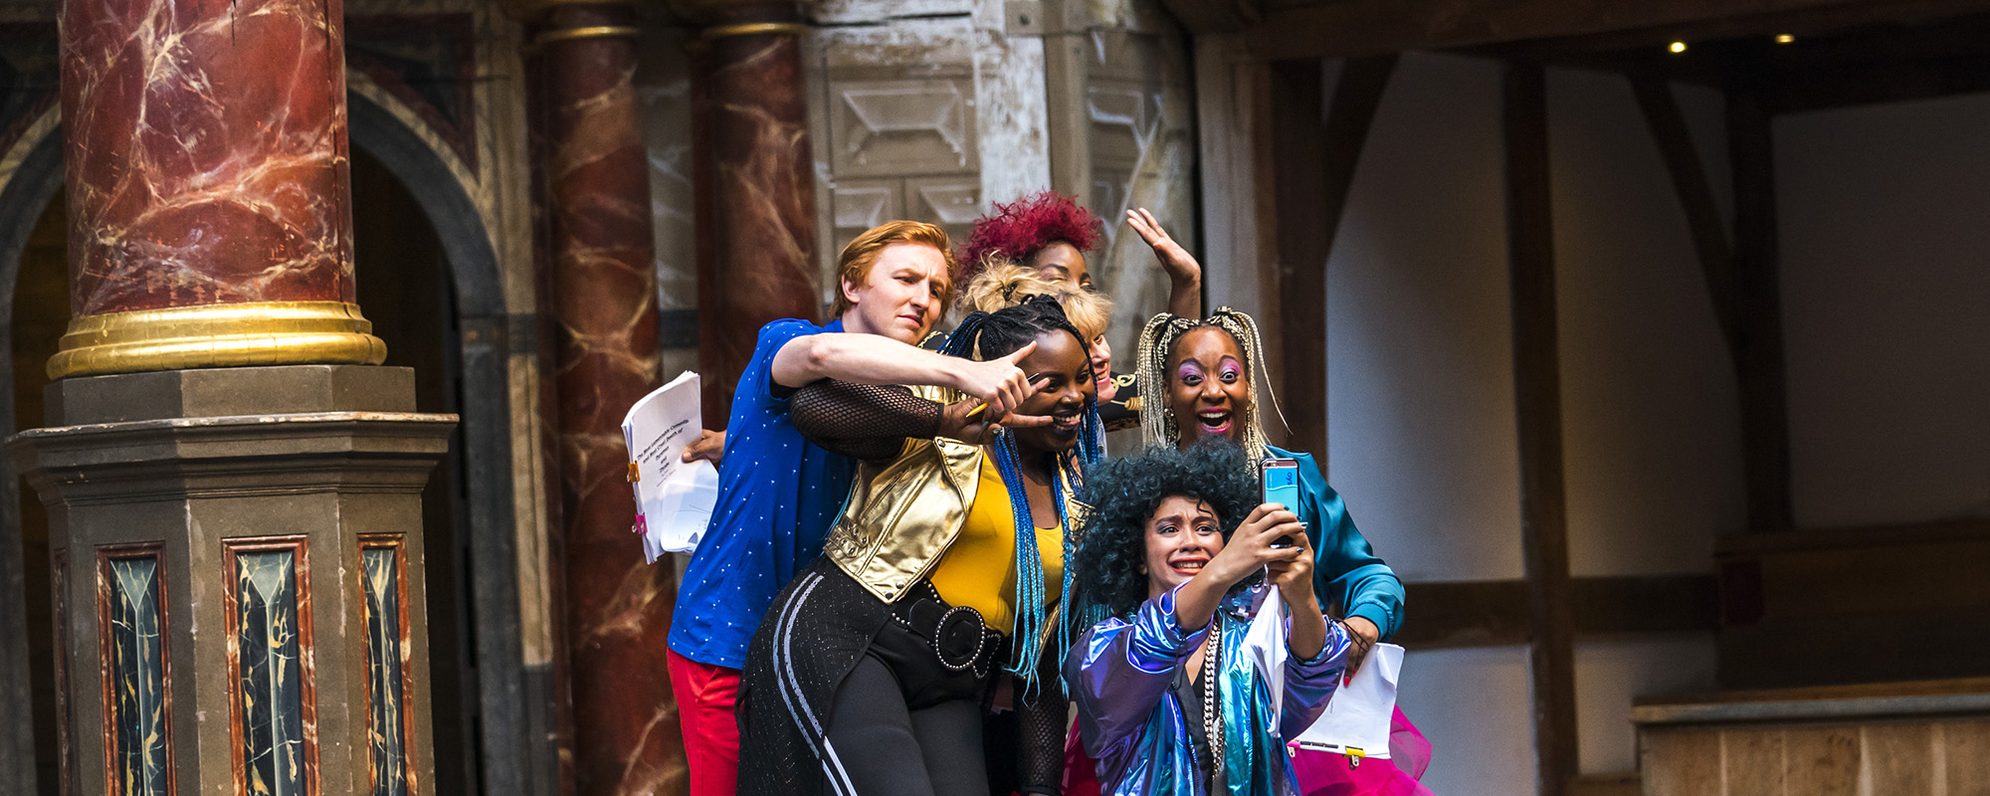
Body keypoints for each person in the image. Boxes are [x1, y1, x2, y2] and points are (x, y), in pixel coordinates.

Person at [664, 221, 1041, 796]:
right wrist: (963, 371)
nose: (924, 300)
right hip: (728, 636)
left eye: (938, 290)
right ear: (851, 285)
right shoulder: (787, 338)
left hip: (827, 645)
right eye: (907, 279)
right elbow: (823, 356)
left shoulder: (913, 389)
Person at [737, 297, 1102, 796]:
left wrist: (1040, 789)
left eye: (1082, 377)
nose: (1075, 396)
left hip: (951, 682)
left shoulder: (1078, 499)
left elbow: (1040, 664)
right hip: (852, 640)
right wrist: (940, 417)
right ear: (1003, 380)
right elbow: (812, 405)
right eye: (1051, 383)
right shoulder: (943, 431)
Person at [1131, 308, 1429, 795]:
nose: (1213, 391)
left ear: (1249, 387)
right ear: (1167, 393)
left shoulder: (1290, 477)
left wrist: (1360, 626)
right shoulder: (1146, 487)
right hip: (1173, 717)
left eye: (1230, 375)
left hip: (1290, 714)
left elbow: (1371, 576)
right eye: (1192, 378)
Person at [1064, 441, 1353, 795]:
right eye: (1169, 529)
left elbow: (1311, 679)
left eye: (1205, 528)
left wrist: (1303, 596)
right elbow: (1148, 647)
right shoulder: (1103, 647)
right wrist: (1219, 573)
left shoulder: (1250, 642)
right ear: (1138, 556)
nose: (1191, 542)